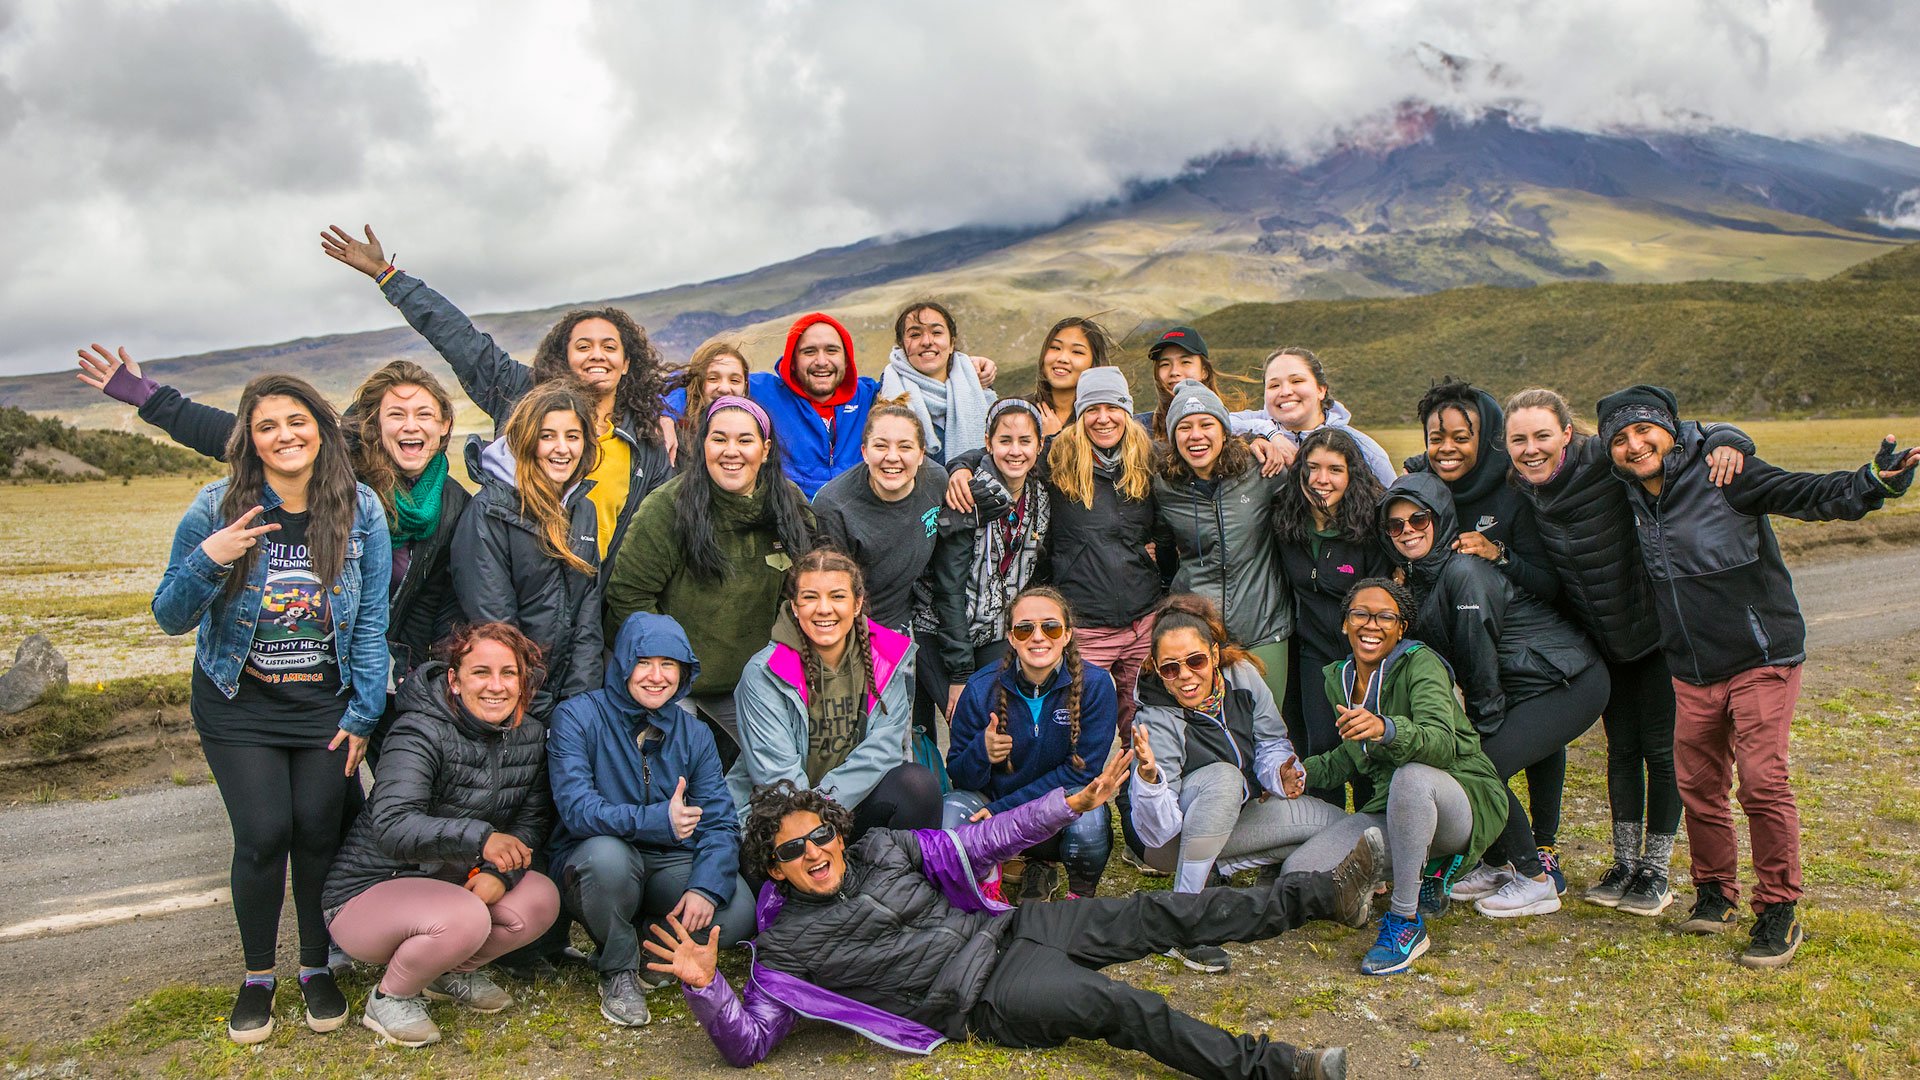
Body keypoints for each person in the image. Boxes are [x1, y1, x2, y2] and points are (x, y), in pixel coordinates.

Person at [648, 765, 1376, 1079]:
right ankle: (1279, 1068)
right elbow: (746, 1046)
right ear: (772, 869)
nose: (814, 852)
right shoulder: (782, 957)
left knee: (1161, 913)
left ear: (837, 832)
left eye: (820, 835)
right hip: (987, 996)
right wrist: (707, 988)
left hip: (1015, 928)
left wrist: (1071, 805)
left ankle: (1318, 897)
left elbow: (978, 842)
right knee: (1120, 1006)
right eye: (792, 849)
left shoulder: (880, 849)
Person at [1601, 384, 1917, 968]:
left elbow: (1810, 493)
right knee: (1698, 786)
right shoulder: (1627, 496)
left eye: (1644, 430)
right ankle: (1716, 894)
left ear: (1672, 429)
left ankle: (1778, 910)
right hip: (1691, 669)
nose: (1634, 444)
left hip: (1761, 657)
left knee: (1763, 783)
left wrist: (1873, 482)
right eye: (1619, 439)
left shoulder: (1728, 474)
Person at [151, 374, 390, 1044]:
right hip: (238, 705)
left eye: (297, 421)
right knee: (263, 836)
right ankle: (259, 976)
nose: (284, 435)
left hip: (325, 705)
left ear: (319, 427)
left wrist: (363, 714)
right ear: (249, 441)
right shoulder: (215, 508)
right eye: (266, 426)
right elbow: (170, 615)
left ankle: (316, 968)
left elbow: (370, 623)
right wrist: (209, 557)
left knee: (318, 834)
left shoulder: (360, 508)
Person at [79, 349, 469, 702]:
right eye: (396, 414)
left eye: (424, 415)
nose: (410, 426)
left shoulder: (452, 504)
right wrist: (150, 398)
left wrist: (417, 671)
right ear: (373, 422)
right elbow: (234, 435)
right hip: (311, 660)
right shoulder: (335, 465)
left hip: (384, 661)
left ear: (444, 424)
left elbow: (434, 597)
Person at [1504, 387, 1751, 915]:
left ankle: (1656, 870)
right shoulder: (1521, 483)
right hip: (1602, 639)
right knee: (1621, 751)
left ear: (1568, 435)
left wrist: (1731, 439)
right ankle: (1623, 863)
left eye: (1543, 435)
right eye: (1518, 439)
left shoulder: (1604, 457)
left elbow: (1678, 436)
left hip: (1655, 631)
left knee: (1661, 751)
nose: (1531, 448)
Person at [320, 224, 671, 563]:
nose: (597, 355)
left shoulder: (645, 437)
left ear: (627, 362)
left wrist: (668, 413)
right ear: (564, 356)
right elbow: (459, 338)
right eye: (583, 346)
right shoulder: (521, 393)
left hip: (600, 599)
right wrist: (388, 275)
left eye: (609, 346)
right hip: (512, 585)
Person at [1379, 474, 1608, 919]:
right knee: (1479, 760)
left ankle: (1534, 879)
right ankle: (1497, 863)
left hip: (1567, 680)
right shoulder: (1417, 575)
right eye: (1395, 525)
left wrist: (1480, 728)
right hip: (1528, 683)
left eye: (1418, 519)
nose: (1407, 530)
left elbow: (1476, 653)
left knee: (1483, 764)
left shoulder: (1464, 571)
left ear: (1440, 519)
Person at [322, 622, 558, 1048]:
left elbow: (531, 821)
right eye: (480, 672)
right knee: (467, 918)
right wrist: (483, 839)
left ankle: (447, 973)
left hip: (450, 883)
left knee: (541, 899)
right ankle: (390, 996)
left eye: (509, 673)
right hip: (371, 891)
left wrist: (498, 873)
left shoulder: (530, 735)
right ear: (454, 679)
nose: (496, 686)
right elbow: (394, 824)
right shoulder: (419, 730)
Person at [1278, 579, 1509, 976]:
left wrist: (1387, 729)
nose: (1372, 624)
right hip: (1393, 808)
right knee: (1298, 875)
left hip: (1458, 798)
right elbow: (1349, 757)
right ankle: (1387, 881)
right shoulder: (1341, 677)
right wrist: (1300, 772)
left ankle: (1406, 921)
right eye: (1360, 615)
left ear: (1401, 627)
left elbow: (1442, 744)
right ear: (1345, 625)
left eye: (1386, 616)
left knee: (1411, 777)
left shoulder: (1421, 663)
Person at [548, 612, 751, 1028]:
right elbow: (577, 810)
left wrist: (705, 888)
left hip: (665, 861)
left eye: (669, 665)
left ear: (684, 671)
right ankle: (617, 970)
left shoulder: (693, 733)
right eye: (644, 663)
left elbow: (719, 821)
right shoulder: (577, 718)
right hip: (595, 857)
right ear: (623, 663)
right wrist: (657, 820)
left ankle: (649, 945)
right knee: (607, 861)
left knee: (737, 910)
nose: (656, 676)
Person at [1128, 594, 1348, 974]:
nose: (1185, 676)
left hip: (1234, 815)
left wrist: (1278, 772)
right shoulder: (1156, 715)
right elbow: (1158, 830)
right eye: (1170, 668)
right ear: (1156, 668)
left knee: (1335, 826)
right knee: (1224, 777)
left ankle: (1272, 888)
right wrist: (1149, 781)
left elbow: (1270, 742)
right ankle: (1184, 919)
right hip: (1168, 840)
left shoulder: (1243, 675)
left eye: (1195, 661)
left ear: (1214, 655)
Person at [603, 396, 815, 748]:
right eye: (719, 439)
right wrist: (669, 666)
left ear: (764, 450)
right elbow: (628, 595)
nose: (731, 451)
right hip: (670, 676)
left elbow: (798, 594)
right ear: (702, 446)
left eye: (744, 440)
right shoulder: (667, 507)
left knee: (784, 766)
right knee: (669, 774)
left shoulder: (789, 506)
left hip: (751, 678)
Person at [730, 549, 941, 836]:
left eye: (838, 596)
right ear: (794, 606)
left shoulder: (886, 657)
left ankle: (896, 872)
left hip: (847, 804)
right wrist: (815, 823)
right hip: (780, 815)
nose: (824, 608)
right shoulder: (764, 673)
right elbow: (776, 777)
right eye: (810, 597)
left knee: (917, 784)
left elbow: (883, 751)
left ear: (857, 604)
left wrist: (826, 807)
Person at [946, 587, 1118, 901]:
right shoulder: (980, 687)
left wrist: (1003, 810)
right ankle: (973, 895)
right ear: (1011, 637)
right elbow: (960, 777)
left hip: (1034, 818)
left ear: (1067, 634)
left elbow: (1081, 774)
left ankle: (1079, 902)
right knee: (952, 809)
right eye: (1025, 629)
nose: (1038, 637)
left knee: (1090, 813)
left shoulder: (1096, 686)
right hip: (991, 816)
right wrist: (980, 753)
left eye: (1050, 627)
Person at [810, 397, 949, 779]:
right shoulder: (835, 505)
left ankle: (907, 822)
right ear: (864, 451)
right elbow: (827, 593)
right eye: (881, 446)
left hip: (902, 624)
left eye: (905, 447)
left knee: (900, 740)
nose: (893, 457)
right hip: (850, 635)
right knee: (853, 741)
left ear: (922, 454)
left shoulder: (935, 481)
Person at [451, 382, 605, 712]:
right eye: (547, 436)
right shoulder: (490, 511)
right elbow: (496, 627)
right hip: (514, 697)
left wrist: (581, 701)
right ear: (526, 439)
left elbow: (587, 616)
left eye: (572, 436)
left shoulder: (583, 509)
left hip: (569, 700)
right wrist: (539, 703)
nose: (562, 448)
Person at [1272, 427, 1395, 807]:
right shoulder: (1286, 522)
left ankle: (1372, 831)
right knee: (1321, 744)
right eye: (1312, 468)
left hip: (1367, 657)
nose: (1321, 479)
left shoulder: (1369, 527)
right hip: (1314, 652)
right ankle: (1326, 837)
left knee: (1364, 748)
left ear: (1351, 475)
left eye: (1334, 470)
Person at [1153, 379, 1294, 705]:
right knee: (1207, 732)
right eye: (1184, 427)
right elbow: (1162, 545)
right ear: (1173, 436)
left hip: (1264, 625)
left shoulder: (1261, 470)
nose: (1196, 435)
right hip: (1198, 634)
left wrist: (1267, 437)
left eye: (1207, 424)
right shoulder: (1164, 486)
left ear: (1224, 430)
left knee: (1269, 730)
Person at [750, 312, 996, 498]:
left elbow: (917, 378)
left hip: (859, 521)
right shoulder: (766, 391)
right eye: (809, 352)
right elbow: (720, 377)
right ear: (792, 360)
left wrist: (963, 366)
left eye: (832, 350)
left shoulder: (869, 394)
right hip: (792, 520)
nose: (822, 361)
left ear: (846, 359)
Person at [927, 399, 1052, 717]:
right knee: (966, 718)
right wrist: (959, 674)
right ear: (988, 443)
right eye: (1005, 441)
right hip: (945, 632)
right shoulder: (967, 495)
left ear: (1039, 446)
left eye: (1025, 441)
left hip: (994, 631)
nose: (1015, 451)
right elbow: (948, 588)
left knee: (1007, 718)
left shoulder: (1039, 497)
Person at [1400, 377, 1555, 599]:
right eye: (1436, 440)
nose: (1446, 449)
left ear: (1486, 439)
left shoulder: (1515, 490)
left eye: (1461, 438)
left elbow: (1547, 585)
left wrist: (1496, 554)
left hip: (1511, 616)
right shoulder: (1418, 490)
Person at [1229, 348, 1394, 484]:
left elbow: (1390, 502)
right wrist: (1270, 434)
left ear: (1321, 390)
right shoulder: (1255, 424)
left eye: (1297, 381)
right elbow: (1214, 422)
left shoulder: (1362, 448)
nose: (1285, 391)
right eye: (1274, 385)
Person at [876, 300, 997, 467]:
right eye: (915, 335)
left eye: (937, 332)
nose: (927, 341)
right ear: (902, 346)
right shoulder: (886, 393)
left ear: (951, 344)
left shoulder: (979, 389)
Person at [660, 340, 751, 467]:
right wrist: (666, 415)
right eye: (713, 378)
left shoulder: (755, 431)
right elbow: (675, 380)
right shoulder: (677, 435)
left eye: (734, 380)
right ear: (698, 383)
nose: (724, 388)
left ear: (745, 387)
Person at [1030, 316, 1112, 438]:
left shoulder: (1104, 421)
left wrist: (1054, 439)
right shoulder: (1020, 410)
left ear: (1094, 362)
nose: (1062, 358)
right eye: (1055, 348)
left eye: (1077, 352)